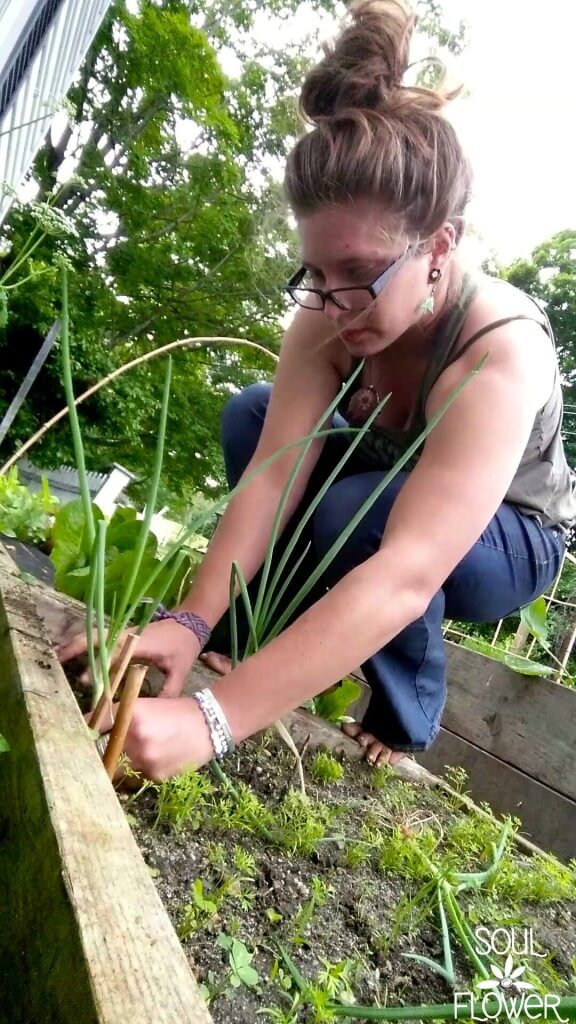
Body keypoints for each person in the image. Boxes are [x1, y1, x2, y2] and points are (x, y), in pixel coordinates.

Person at [59, 0, 576, 778]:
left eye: (361, 274)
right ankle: (250, 640)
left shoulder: (497, 354)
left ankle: (404, 717)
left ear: (440, 246)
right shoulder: (328, 311)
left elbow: (408, 572)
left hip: (508, 536)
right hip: (389, 486)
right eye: (317, 272)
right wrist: (191, 621)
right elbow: (272, 474)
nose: (333, 302)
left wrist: (213, 722)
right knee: (252, 417)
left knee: (354, 514)